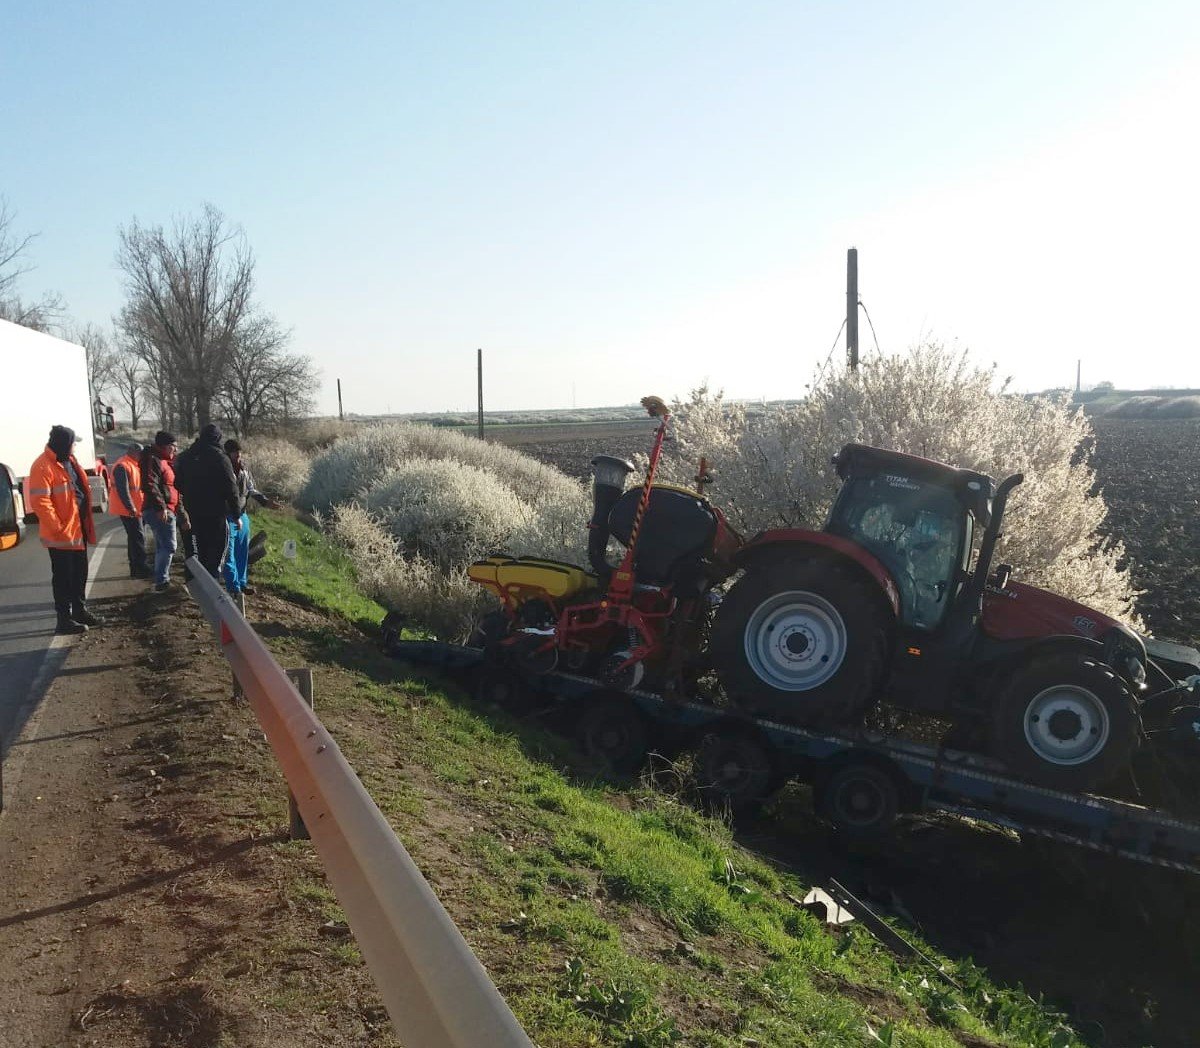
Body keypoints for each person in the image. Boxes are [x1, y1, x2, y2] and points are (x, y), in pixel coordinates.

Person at [27, 425, 102, 633]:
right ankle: (64, 620)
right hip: (62, 535)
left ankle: (79, 610)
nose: (75, 447)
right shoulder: (42, 466)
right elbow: (41, 502)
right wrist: (59, 528)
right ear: (64, 443)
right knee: (63, 578)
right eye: (73, 443)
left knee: (79, 573)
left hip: (78, 530)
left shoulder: (70, 461)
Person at [174, 423, 238, 580]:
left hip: (192, 512)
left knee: (196, 551)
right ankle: (212, 583)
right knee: (216, 551)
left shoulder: (184, 457)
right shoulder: (220, 457)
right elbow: (231, 487)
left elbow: (177, 484)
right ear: (218, 438)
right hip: (215, 513)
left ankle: (195, 583)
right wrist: (236, 513)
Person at [221, 439, 276, 596]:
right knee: (229, 553)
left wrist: (265, 502)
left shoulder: (244, 470)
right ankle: (234, 587)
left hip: (242, 515)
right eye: (234, 454)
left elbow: (251, 489)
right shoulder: (223, 470)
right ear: (227, 453)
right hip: (228, 516)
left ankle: (242, 583)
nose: (238, 457)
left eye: (239, 454)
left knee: (242, 551)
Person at [140, 431, 183, 593]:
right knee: (169, 545)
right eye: (174, 446)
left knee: (162, 545)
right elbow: (150, 484)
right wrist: (160, 507)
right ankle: (161, 582)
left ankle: (161, 580)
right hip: (160, 509)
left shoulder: (163, 460)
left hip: (166, 508)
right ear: (165, 446)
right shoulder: (153, 459)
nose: (175, 450)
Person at [108, 442, 150, 578]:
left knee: (134, 538)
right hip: (129, 510)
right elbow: (123, 490)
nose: (142, 457)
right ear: (134, 452)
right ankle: (141, 567)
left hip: (135, 508)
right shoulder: (123, 466)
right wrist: (130, 507)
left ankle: (136, 568)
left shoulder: (132, 464)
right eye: (141, 454)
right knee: (138, 538)